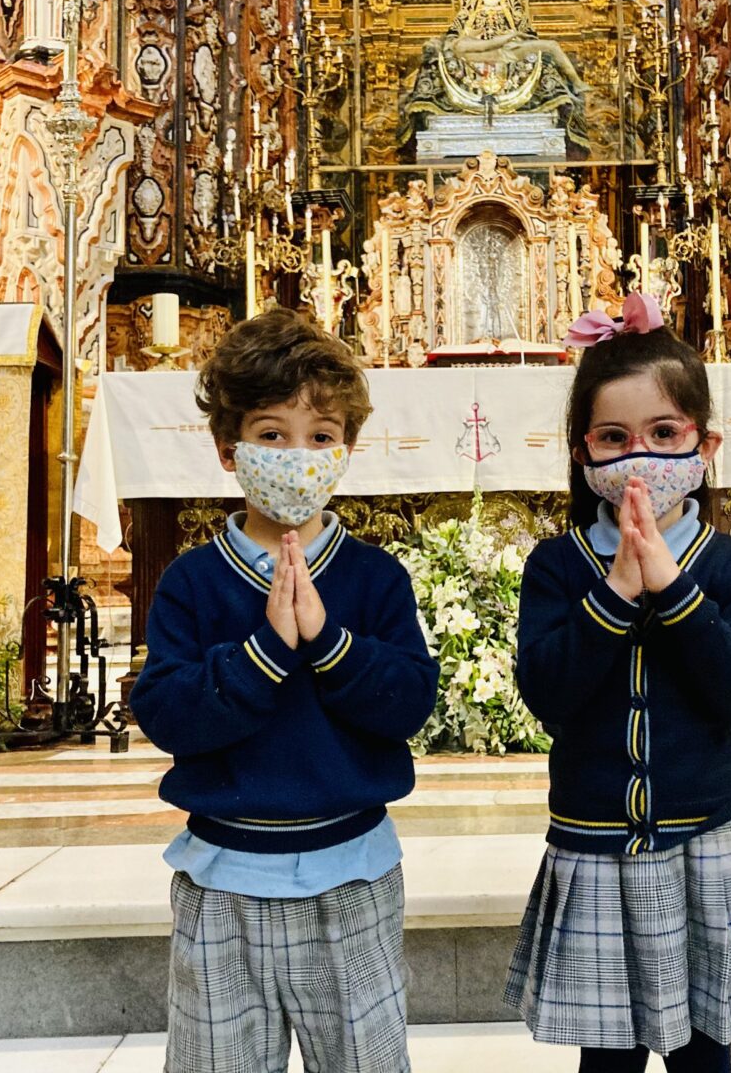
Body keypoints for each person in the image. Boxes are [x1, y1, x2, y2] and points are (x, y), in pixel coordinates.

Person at [504, 293, 731, 1072]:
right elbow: (548, 694)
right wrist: (612, 594)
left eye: (663, 434)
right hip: (596, 842)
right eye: (614, 438)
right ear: (583, 453)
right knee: (606, 1058)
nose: (638, 454)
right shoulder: (557, 567)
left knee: (705, 1053)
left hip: (704, 838)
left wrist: (673, 590)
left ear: (704, 446)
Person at [131, 308, 439, 1073]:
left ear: (347, 450)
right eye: (271, 435)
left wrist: (329, 643)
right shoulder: (192, 583)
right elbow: (170, 715)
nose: (297, 455)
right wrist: (267, 649)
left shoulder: (373, 578)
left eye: (321, 436)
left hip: (352, 871)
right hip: (225, 876)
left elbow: (407, 702)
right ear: (227, 449)